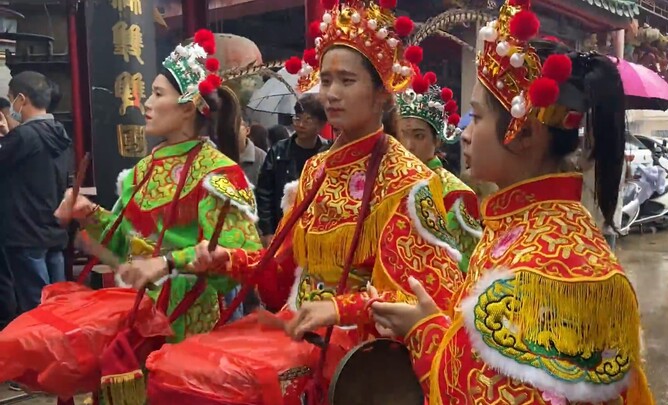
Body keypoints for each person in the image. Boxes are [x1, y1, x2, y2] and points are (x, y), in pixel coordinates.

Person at [127, 1, 464, 401]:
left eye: (347, 81)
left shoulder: (408, 181)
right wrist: (228, 259)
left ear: (381, 93)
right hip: (300, 328)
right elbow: (283, 267)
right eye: (326, 80)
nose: (332, 94)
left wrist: (341, 309)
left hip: (357, 352)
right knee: (182, 368)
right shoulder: (316, 170)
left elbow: (422, 299)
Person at [370, 2, 654, 404]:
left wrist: (426, 331)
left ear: (525, 135)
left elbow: (495, 393)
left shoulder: (550, 267)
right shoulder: (519, 224)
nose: (465, 134)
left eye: (477, 117)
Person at [56, 29, 262, 342]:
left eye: (158, 93)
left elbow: (243, 256)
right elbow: (126, 246)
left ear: (188, 107)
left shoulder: (218, 173)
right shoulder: (143, 169)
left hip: (192, 322)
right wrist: (90, 214)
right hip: (139, 316)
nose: (146, 103)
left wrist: (169, 262)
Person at [0, 71, 71, 315]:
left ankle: (44, 354)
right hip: (52, 232)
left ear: (22, 99)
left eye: (11, 100)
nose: (12, 108)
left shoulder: (24, 136)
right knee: (57, 305)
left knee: (36, 309)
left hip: (25, 234)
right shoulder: (59, 133)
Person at [396, 82, 482, 272]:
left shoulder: (454, 194)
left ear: (437, 140)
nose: (408, 146)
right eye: (402, 135)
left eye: (419, 136)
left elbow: (466, 265)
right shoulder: (385, 180)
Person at [255, 94, 330, 246]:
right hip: (281, 227)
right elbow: (264, 192)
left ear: (321, 124)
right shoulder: (278, 151)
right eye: (297, 118)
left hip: (315, 230)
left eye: (308, 120)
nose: (301, 125)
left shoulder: (326, 152)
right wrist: (268, 230)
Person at [230, 107, 266, 185]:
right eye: (230, 125)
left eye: (237, 124)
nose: (233, 129)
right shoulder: (220, 155)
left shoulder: (261, 157)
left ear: (247, 130)